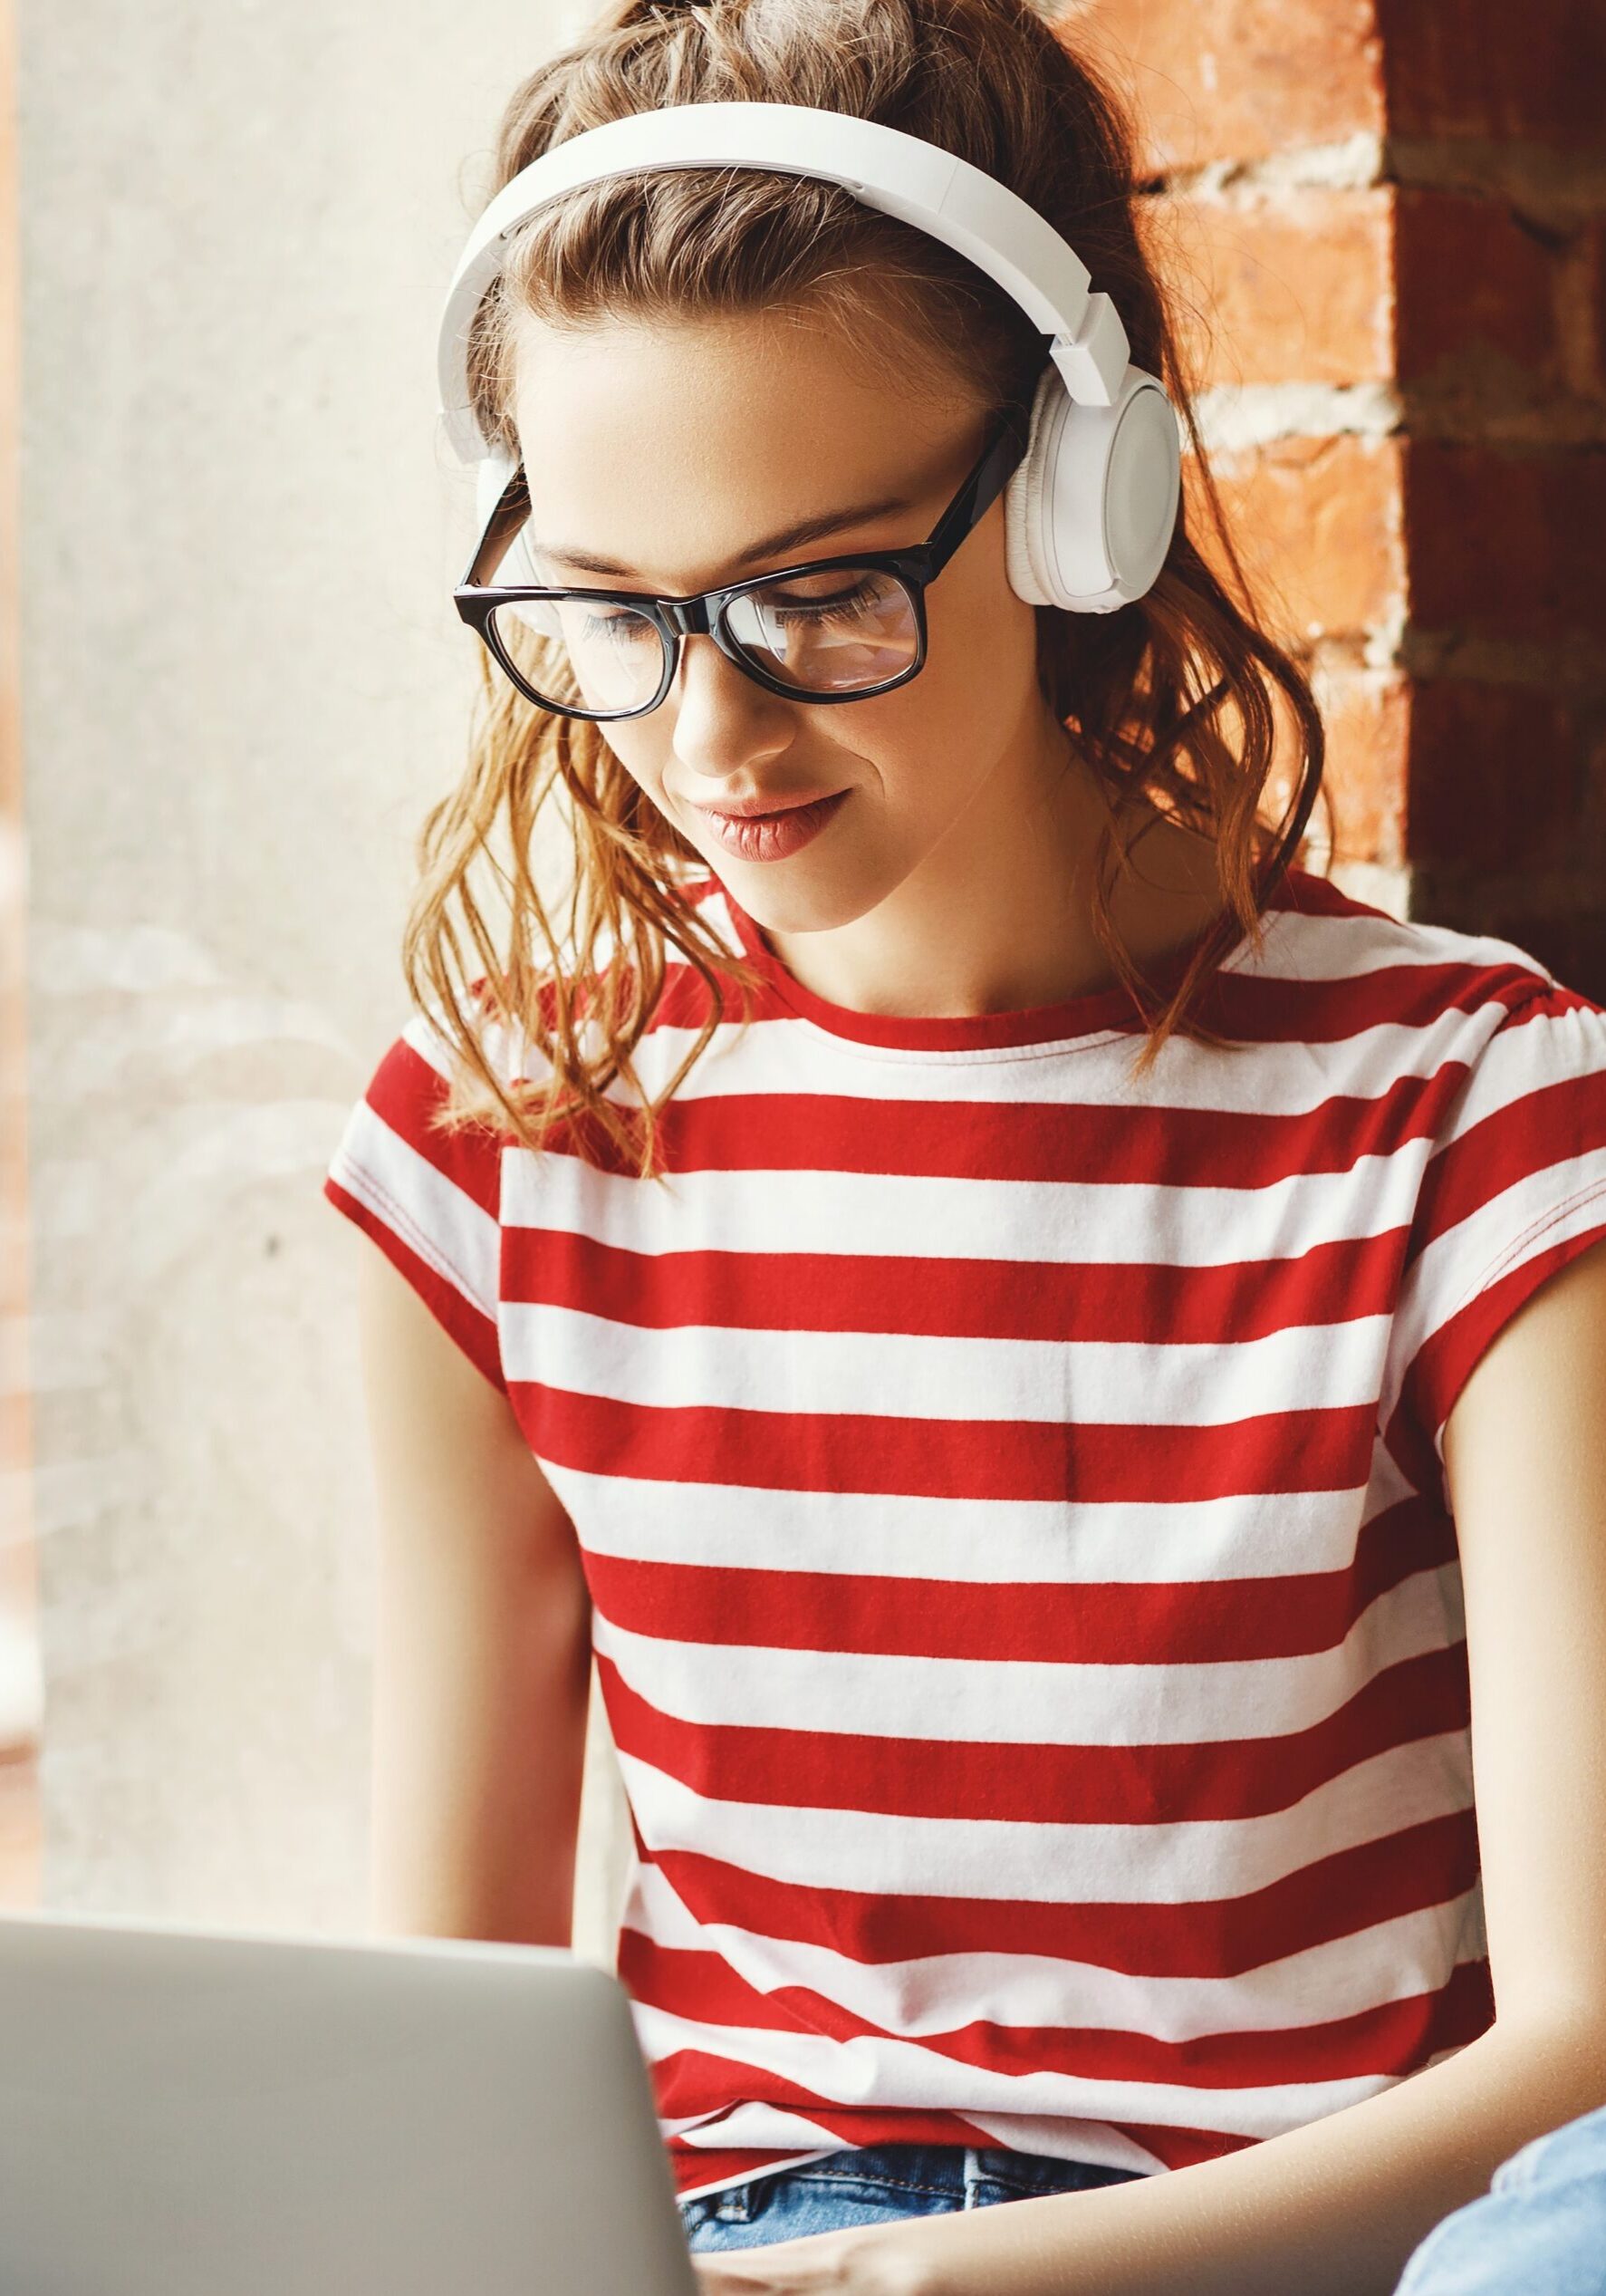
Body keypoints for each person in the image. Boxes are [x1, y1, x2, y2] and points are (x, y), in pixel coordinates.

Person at [321, 2, 1606, 2291]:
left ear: (1071, 493)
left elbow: (1585, 2056)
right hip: (734, 2255)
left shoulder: (1473, 1112)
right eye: (610, 610)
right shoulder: (493, 1136)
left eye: (822, 591)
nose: (707, 731)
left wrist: (957, 2284)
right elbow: (436, 2047)